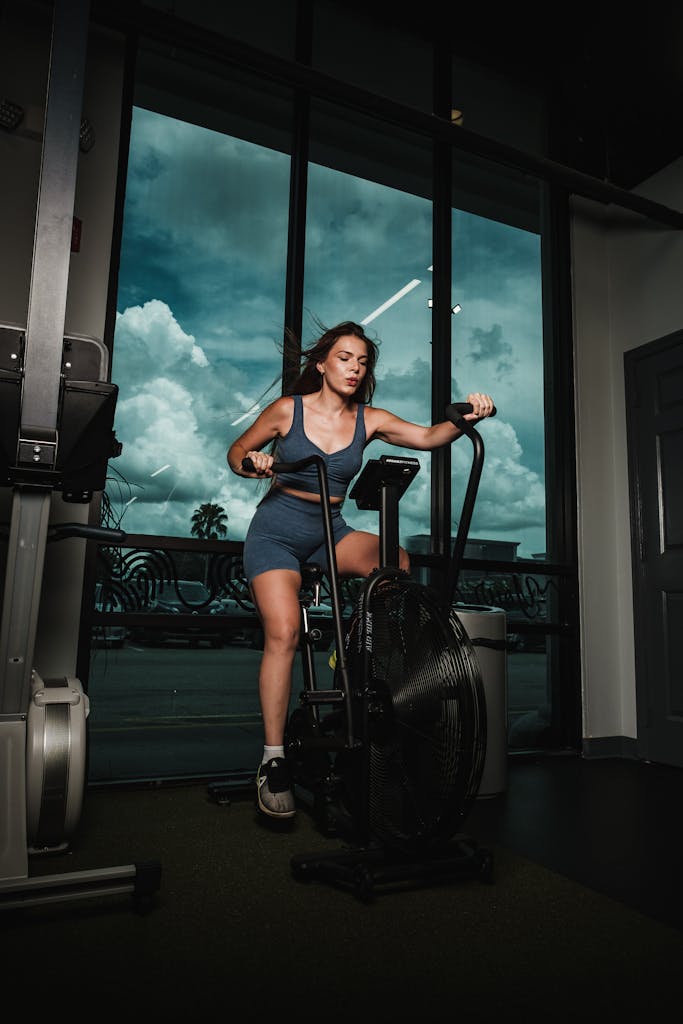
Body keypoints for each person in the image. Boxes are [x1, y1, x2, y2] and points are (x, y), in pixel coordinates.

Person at [227, 320, 494, 819]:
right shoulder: (288, 410)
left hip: (331, 529)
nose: (354, 368)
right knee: (283, 632)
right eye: (345, 358)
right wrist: (255, 463)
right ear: (322, 364)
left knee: (397, 563)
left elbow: (430, 436)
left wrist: (468, 415)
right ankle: (272, 760)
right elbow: (235, 452)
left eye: (363, 361)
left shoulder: (370, 420)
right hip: (278, 534)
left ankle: (353, 650)